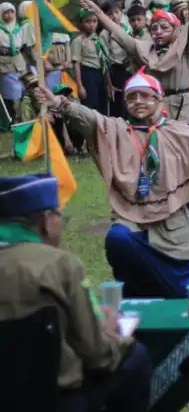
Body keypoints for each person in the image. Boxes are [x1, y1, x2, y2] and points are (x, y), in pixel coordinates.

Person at [36, 71, 189, 298]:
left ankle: (183, 279)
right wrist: (58, 102)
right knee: (118, 240)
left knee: (180, 292)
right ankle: (139, 290)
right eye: (132, 97)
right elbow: (90, 118)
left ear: (159, 98)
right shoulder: (116, 130)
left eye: (145, 96)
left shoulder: (180, 132)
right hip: (130, 217)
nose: (138, 102)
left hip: (171, 226)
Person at [78, 0, 189, 236]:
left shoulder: (185, 47)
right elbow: (119, 34)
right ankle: (165, 220)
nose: (157, 31)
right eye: (153, 27)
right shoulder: (143, 50)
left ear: (175, 30)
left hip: (185, 113)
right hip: (156, 117)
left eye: (163, 26)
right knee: (162, 171)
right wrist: (97, 11)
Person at [0, 174, 153, 412]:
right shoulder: (59, 265)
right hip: (55, 400)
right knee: (136, 358)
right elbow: (98, 355)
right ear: (45, 220)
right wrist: (112, 332)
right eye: (60, 216)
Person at [71, 9, 110, 119]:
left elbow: (105, 60)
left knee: (102, 107)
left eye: (94, 21)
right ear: (81, 23)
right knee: (91, 107)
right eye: (87, 21)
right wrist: (80, 86)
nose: (92, 25)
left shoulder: (99, 39)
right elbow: (76, 64)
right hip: (88, 75)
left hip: (101, 75)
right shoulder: (78, 41)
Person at [100, 2, 132, 118]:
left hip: (128, 68)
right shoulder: (104, 34)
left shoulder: (128, 30)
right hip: (114, 70)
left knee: (128, 100)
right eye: (109, 14)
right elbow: (104, 58)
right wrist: (108, 81)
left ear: (122, 13)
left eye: (117, 12)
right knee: (116, 102)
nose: (114, 16)